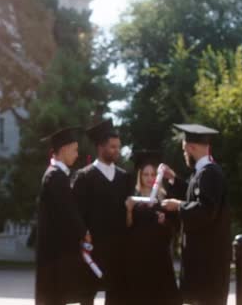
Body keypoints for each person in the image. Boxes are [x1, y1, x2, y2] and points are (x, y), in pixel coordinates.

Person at [160, 124, 231, 305]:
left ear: (191, 148)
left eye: (184, 150)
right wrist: (173, 179)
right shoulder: (204, 173)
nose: (184, 155)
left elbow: (205, 210)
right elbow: (195, 195)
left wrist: (178, 206)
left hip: (207, 265)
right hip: (203, 262)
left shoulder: (209, 174)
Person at [72, 120, 134, 304]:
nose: (117, 150)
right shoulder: (84, 176)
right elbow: (75, 212)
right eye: (113, 147)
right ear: (100, 147)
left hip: (117, 249)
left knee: (116, 295)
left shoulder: (124, 177)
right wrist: (82, 235)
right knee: (86, 295)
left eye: (119, 147)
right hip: (92, 249)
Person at [35, 127, 94, 305]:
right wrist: (84, 232)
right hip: (55, 254)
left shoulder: (55, 174)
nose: (77, 155)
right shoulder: (55, 176)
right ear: (64, 149)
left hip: (54, 251)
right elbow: (68, 211)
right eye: (75, 150)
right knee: (55, 296)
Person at [124, 150, 181, 305]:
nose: (150, 178)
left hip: (160, 258)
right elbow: (127, 227)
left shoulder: (164, 199)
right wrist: (128, 210)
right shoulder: (133, 198)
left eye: (153, 174)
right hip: (139, 259)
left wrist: (164, 221)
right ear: (140, 176)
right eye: (146, 174)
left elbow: (174, 228)